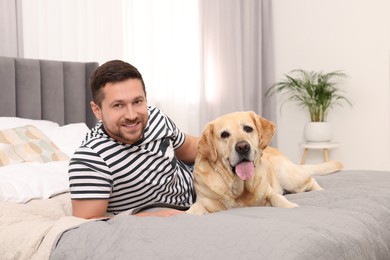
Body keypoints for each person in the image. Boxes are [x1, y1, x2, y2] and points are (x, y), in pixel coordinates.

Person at [68, 60, 199, 219]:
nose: (131, 115)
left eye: (137, 102)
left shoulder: (156, 118)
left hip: (201, 190)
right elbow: (89, 224)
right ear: (97, 110)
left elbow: (191, 148)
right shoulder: (91, 158)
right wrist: (153, 217)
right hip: (174, 216)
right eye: (118, 105)